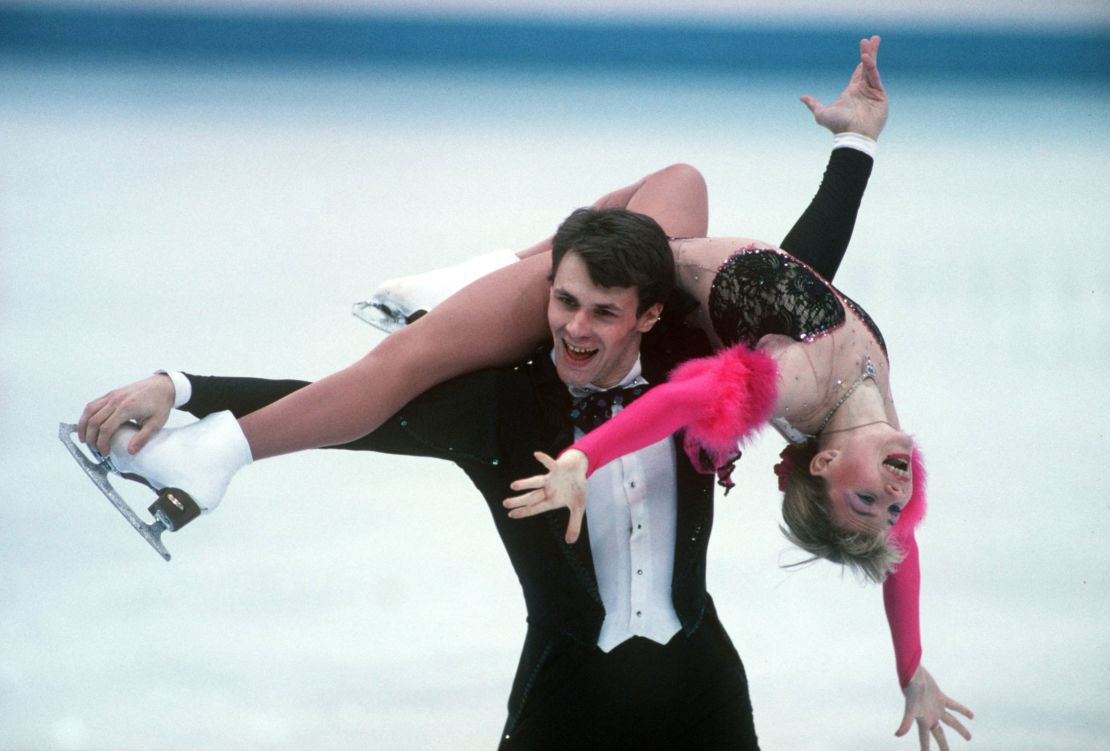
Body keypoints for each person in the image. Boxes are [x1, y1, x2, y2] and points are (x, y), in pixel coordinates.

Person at [74, 36, 971, 748]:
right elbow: (352, 407)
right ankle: (457, 298)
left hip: (702, 684)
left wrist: (912, 669)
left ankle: (468, 285)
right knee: (421, 355)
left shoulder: (700, 362)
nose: (575, 330)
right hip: (565, 695)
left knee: (669, 202)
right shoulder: (505, 399)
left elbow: (802, 279)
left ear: (651, 319)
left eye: (602, 313)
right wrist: (181, 386)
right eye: (563, 304)